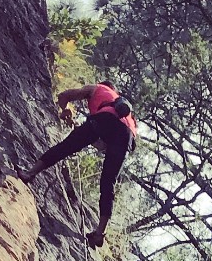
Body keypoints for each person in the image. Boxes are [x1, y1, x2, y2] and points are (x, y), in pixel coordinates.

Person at [33, 83, 137, 246]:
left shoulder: (98, 88)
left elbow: (64, 96)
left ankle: (29, 173)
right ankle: (99, 233)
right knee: (108, 182)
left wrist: (64, 111)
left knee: (66, 147)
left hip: (103, 121)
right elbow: (103, 143)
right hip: (127, 136)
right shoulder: (126, 113)